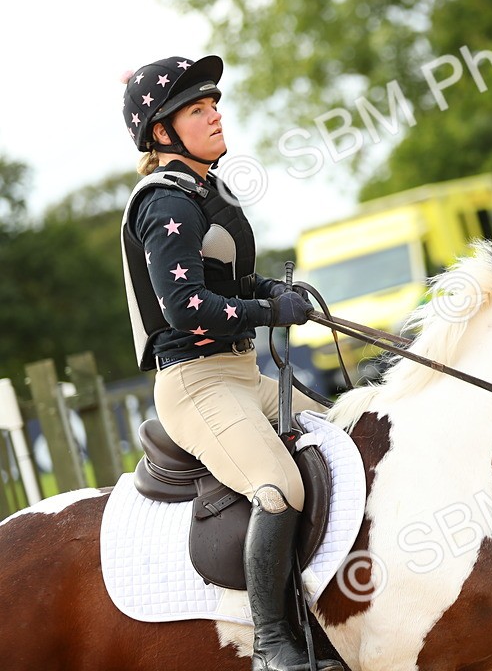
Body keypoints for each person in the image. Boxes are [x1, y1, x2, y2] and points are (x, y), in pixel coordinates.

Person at [120, 55, 343, 671]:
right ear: (162, 132)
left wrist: (272, 292)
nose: (215, 114)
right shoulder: (164, 202)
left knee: (354, 434)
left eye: (214, 103)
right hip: (197, 384)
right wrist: (269, 312)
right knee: (279, 488)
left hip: (245, 375)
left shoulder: (206, 191)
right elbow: (188, 306)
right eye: (198, 109)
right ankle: (274, 645)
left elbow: (231, 280)